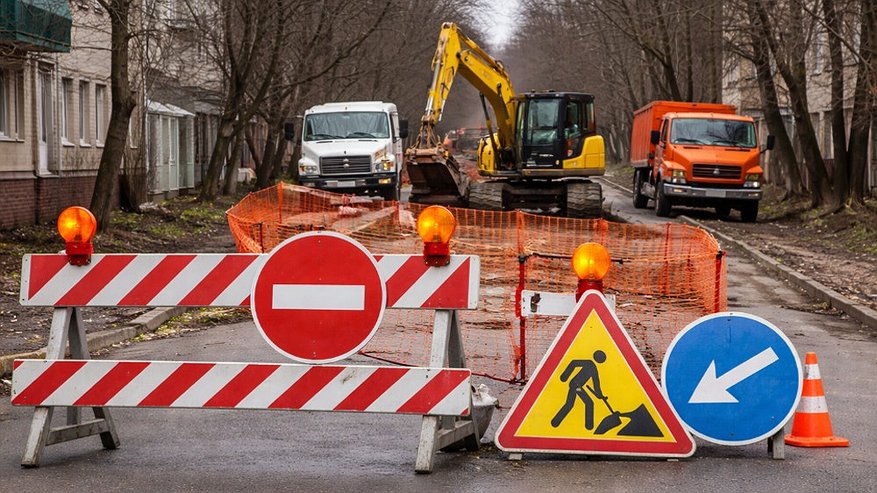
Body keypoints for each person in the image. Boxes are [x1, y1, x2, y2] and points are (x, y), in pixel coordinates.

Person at [550, 350, 607, 430]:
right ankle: (589, 426)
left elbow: (596, 385)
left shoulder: (593, 368)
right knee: (589, 403)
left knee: (569, 404)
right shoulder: (590, 364)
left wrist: (600, 396)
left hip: (575, 385)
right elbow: (574, 363)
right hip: (576, 385)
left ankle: (555, 422)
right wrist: (564, 376)